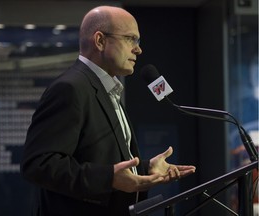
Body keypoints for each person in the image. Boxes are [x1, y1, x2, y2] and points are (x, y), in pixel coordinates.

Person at [20, 5, 196, 216]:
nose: (138, 49)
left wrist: (146, 168)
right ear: (100, 41)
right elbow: (38, 164)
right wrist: (109, 178)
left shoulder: (104, 88)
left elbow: (100, 158)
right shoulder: (70, 88)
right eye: (131, 39)